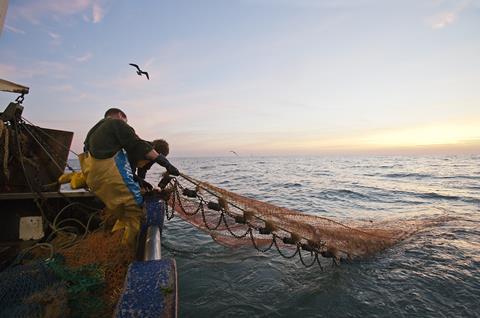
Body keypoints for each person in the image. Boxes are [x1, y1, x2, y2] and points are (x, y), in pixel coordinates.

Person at [80, 108, 179, 246]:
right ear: (121, 116)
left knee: (122, 213)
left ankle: (116, 238)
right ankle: (125, 249)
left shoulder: (93, 132)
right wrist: (164, 163)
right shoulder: (116, 123)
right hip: (111, 175)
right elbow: (135, 148)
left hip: (93, 178)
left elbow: (141, 170)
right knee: (135, 212)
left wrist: (141, 181)